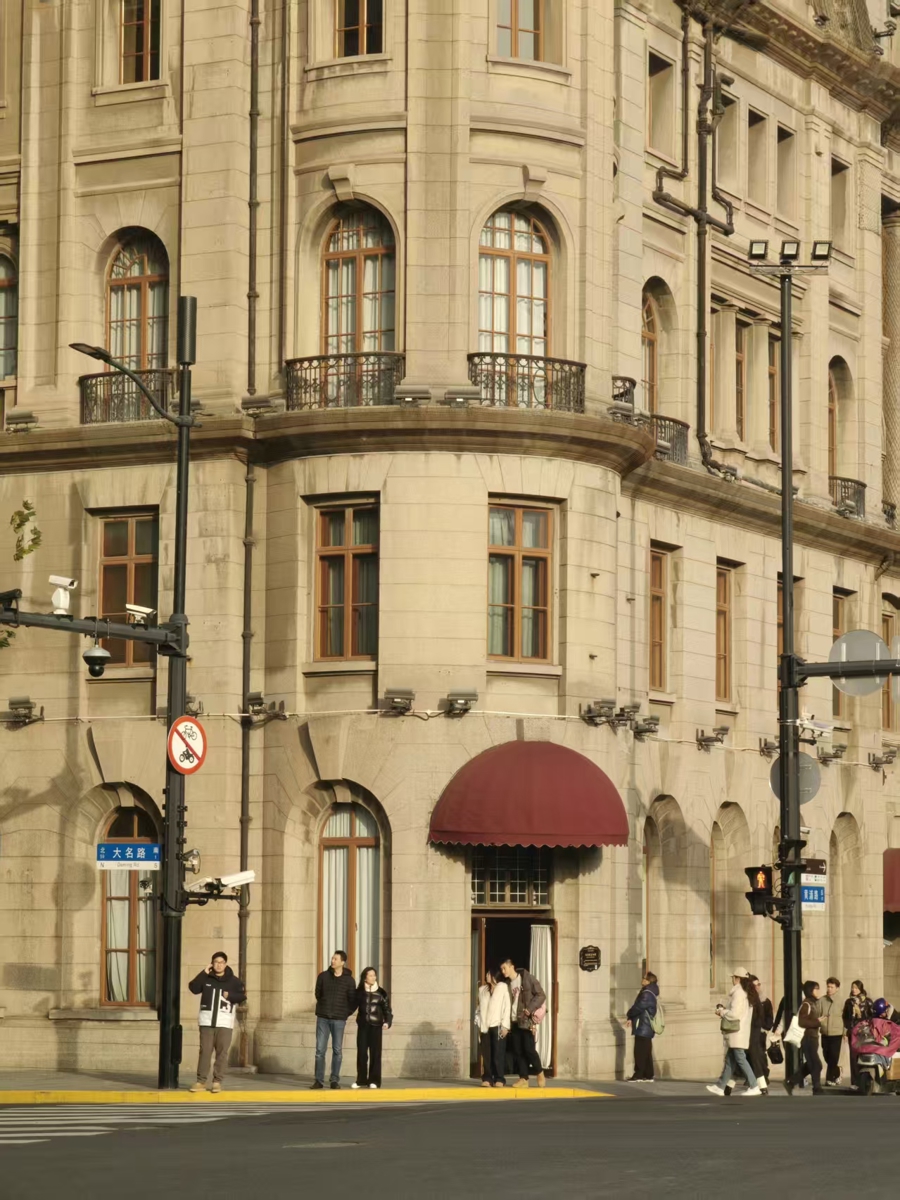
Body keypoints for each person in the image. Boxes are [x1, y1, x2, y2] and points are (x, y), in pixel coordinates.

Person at [187, 951, 246, 1093]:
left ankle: (217, 1081)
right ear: (212, 964)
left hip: (224, 1022)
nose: (218, 965)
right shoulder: (206, 978)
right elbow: (194, 988)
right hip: (207, 1022)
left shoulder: (234, 981)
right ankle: (201, 1081)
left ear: (225, 964)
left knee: (222, 1053)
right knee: (205, 1052)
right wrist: (203, 972)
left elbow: (242, 997)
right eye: (216, 962)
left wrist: (230, 995)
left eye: (221, 962)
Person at [706, 968, 762, 1097]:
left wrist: (722, 1012)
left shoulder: (739, 993)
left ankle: (754, 1085)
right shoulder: (746, 992)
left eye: (734, 977)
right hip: (740, 1031)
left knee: (740, 1058)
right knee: (730, 1059)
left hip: (737, 1032)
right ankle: (720, 1086)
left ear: (738, 978)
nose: (732, 980)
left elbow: (735, 1014)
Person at [312, 950, 357, 1090]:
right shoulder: (323, 976)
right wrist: (323, 1007)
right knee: (320, 1050)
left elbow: (353, 1000)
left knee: (337, 1050)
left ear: (342, 962)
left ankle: (334, 1080)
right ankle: (318, 1080)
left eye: (335, 959)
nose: (332, 961)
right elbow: (318, 993)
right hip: (323, 1018)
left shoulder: (349, 980)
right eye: (332, 958)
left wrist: (345, 1014)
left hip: (339, 1020)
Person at [500, 958, 547, 1088]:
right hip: (514, 1020)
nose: (503, 971)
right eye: (501, 969)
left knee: (529, 1049)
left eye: (504, 968)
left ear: (511, 967)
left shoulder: (527, 978)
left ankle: (540, 1073)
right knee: (517, 1051)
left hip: (525, 1020)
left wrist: (530, 1009)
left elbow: (541, 995)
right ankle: (523, 1078)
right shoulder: (506, 984)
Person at [352, 967, 392, 1090]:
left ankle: (374, 1080)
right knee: (362, 1053)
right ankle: (361, 1080)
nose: (373, 977)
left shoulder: (381, 992)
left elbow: (387, 1010)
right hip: (363, 1026)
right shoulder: (359, 992)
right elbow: (351, 1006)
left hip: (376, 1026)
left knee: (375, 1053)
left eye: (374, 975)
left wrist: (387, 1022)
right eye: (370, 975)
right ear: (365, 977)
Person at [783, 980, 824, 1096]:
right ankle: (816, 1088)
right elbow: (802, 1022)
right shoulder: (806, 1004)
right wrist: (817, 1022)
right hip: (808, 1038)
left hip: (813, 1038)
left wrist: (818, 1020)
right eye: (816, 988)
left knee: (811, 1064)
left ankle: (791, 1082)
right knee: (816, 1064)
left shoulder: (813, 1003)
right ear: (810, 990)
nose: (818, 991)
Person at [475, 967, 510, 1088]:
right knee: (486, 1054)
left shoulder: (503, 988)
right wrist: (478, 1021)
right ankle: (487, 1078)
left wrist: (505, 1026)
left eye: (489, 974)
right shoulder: (482, 990)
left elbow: (507, 1007)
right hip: (485, 1027)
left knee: (498, 1054)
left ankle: (499, 1078)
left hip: (498, 1025)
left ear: (494, 976)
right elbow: (478, 1008)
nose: (486, 976)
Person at [738, 974, 771, 1095]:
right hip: (747, 1033)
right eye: (755, 985)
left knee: (757, 1057)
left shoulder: (764, 1001)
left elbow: (767, 1018)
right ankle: (726, 1086)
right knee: (739, 1057)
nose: (757, 987)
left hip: (757, 1034)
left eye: (759, 984)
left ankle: (761, 1082)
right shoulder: (747, 999)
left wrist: (764, 1028)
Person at [625, 972, 659, 1082]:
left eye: (644, 978)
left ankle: (638, 1075)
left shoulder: (646, 994)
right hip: (646, 1026)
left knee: (639, 1051)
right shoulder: (650, 992)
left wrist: (629, 1014)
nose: (642, 979)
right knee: (646, 1051)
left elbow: (638, 1007)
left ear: (648, 981)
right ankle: (648, 1075)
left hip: (643, 1026)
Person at [842, 979, 871, 1091]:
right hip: (852, 1032)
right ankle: (854, 1082)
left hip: (864, 1032)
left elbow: (871, 1017)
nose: (854, 990)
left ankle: (864, 1081)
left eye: (856, 988)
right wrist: (846, 1031)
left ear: (861, 989)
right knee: (853, 1057)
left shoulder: (867, 1002)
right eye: (852, 987)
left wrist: (861, 1014)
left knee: (863, 1056)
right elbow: (845, 1017)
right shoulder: (849, 1002)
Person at [819, 976, 844, 1087]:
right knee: (826, 1055)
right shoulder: (822, 1000)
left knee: (833, 1056)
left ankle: (830, 1078)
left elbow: (845, 1017)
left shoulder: (841, 1001)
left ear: (837, 988)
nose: (829, 989)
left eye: (832, 987)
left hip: (836, 1033)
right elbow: (817, 1014)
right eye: (828, 986)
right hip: (825, 1032)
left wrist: (845, 1032)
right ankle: (837, 1071)